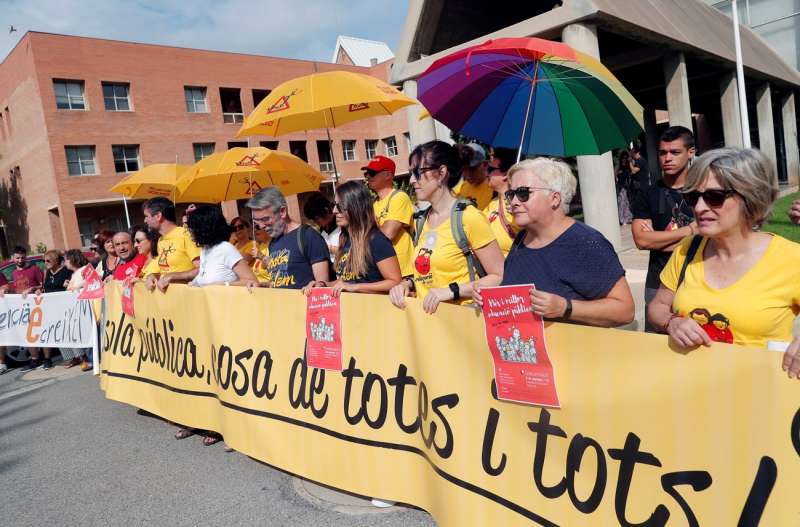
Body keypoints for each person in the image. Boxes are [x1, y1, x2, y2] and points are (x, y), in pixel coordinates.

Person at [646, 148, 800, 377]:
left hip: (763, 396)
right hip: (692, 392)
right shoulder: (687, 250)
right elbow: (657, 306)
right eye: (693, 197)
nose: (699, 208)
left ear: (751, 197)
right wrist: (672, 322)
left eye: (714, 197)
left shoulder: (791, 259)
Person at [473, 158, 635, 327]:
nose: (514, 202)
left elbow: (625, 310)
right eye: (511, 194)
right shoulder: (522, 240)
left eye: (523, 193)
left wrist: (566, 307)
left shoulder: (585, 243)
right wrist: (493, 298)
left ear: (555, 199)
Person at [389, 140, 504, 314]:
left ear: (442, 172)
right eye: (412, 173)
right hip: (430, 327)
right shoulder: (421, 221)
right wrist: (407, 284)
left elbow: (500, 277)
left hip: (463, 324)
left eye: (418, 172)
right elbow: (428, 274)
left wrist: (453, 291)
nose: (412, 180)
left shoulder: (468, 217)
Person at [632, 126, 697, 332]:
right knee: (656, 344)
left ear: (691, 152)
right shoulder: (647, 194)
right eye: (662, 152)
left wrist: (658, 239)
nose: (667, 158)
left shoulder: (704, 192)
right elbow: (642, 241)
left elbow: (711, 236)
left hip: (697, 279)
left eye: (675, 152)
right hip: (657, 281)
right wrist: (690, 231)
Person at [304, 181, 401, 296]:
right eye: (334, 205)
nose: (334, 211)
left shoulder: (376, 240)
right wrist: (322, 285)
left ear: (355, 207)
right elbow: (346, 281)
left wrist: (354, 287)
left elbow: (395, 282)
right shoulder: (345, 240)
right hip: (351, 311)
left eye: (340, 206)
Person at [245, 187, 330, 289]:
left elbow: (323, 287)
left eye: (265, 219)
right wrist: (261, 285)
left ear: (282, 212)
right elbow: (279, 283)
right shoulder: (274, 242)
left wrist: (318, 287)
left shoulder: (308, 236)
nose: (261, 226)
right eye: (256, 222)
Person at [364, 155, 415, 277]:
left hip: (404, 272)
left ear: (388, 175)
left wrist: (369, 230)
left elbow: (388, 234)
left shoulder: (399, 197)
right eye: (366, 173)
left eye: (372, 173)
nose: (368, 177)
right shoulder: (373, 203)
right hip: (383, 271)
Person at [187, 206, 258, 287]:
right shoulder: (205, 250)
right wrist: (194, 284)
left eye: (192, 227)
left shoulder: (225, 248)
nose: (190, 231)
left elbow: (252, 281)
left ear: (203, 228)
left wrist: (224, 285)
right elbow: (203, 277)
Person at [142, 197, 201, 292]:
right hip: (170, 302)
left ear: (158, 216)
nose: (145, 220)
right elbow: (161, 266)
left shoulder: (185, 235)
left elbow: (202, 269)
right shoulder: (161, 240)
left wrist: (173, 276)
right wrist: (151, 275)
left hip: (189, 298)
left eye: (146, 216)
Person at [483, 147, 520, 256]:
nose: (486, 173)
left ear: (505, 174)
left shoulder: (520, 204)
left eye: (490, 169)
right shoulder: (493, 202)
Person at [63, 249, 94, 371]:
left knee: (88, 334)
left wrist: (75, 286)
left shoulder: (85, 269)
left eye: (66, 260)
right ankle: (86, 359)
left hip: (85, 308)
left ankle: (92, 359)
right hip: (77, 309)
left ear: (72, 260)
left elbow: (90, 281)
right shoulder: (75, 274)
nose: (64, 263)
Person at [303, 193, 341, 262]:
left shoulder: (342, 224)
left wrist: (328, 248)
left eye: (316, 218)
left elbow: (351, 251)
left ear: (326, 210)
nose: (315, 222)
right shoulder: (322, 229)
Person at [453, 143, 493, 210]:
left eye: (473, 169)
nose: (468, 174)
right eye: (464, 169)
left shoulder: (494, 189)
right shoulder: (459, 189)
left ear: (485, 165)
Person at [615, 150, 633, 225]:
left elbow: (633, 171)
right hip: (621, 186)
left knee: (628, 202)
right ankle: (621, 219)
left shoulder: (629, 165)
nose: (624, 159)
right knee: (621, 202)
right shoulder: (619, 166)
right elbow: (614, 174)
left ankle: (628, 218)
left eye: (626, 158)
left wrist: (630, 161)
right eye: (623, 158)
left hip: (628, 186)